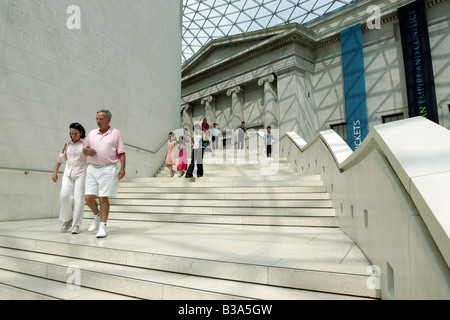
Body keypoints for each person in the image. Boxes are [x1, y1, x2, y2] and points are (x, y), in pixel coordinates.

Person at [83, 109, 126, 238]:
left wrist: (123, 168)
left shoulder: (116, 133)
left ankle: (103, 225)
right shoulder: (91, 133)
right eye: (97, 119)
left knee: (103, 197)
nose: (98, 121)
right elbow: (84, 149)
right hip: (92, 168)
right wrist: (86, 151)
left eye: (101, 119)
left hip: (108, 168)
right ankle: (96, 215)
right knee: (88, 197)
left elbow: (121, 152)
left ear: (108, 120)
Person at [52, 123, 88, 234]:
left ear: (81, 133)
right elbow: (61, 159)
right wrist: (55, 172)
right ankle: (67, 220)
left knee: (78, 199)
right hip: (68, 174)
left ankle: (76, 225)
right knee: (64, 196)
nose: (73, 136)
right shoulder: (67, 144)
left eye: (75, 133)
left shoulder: (85, 145)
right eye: (71, 133)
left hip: (81, 174)